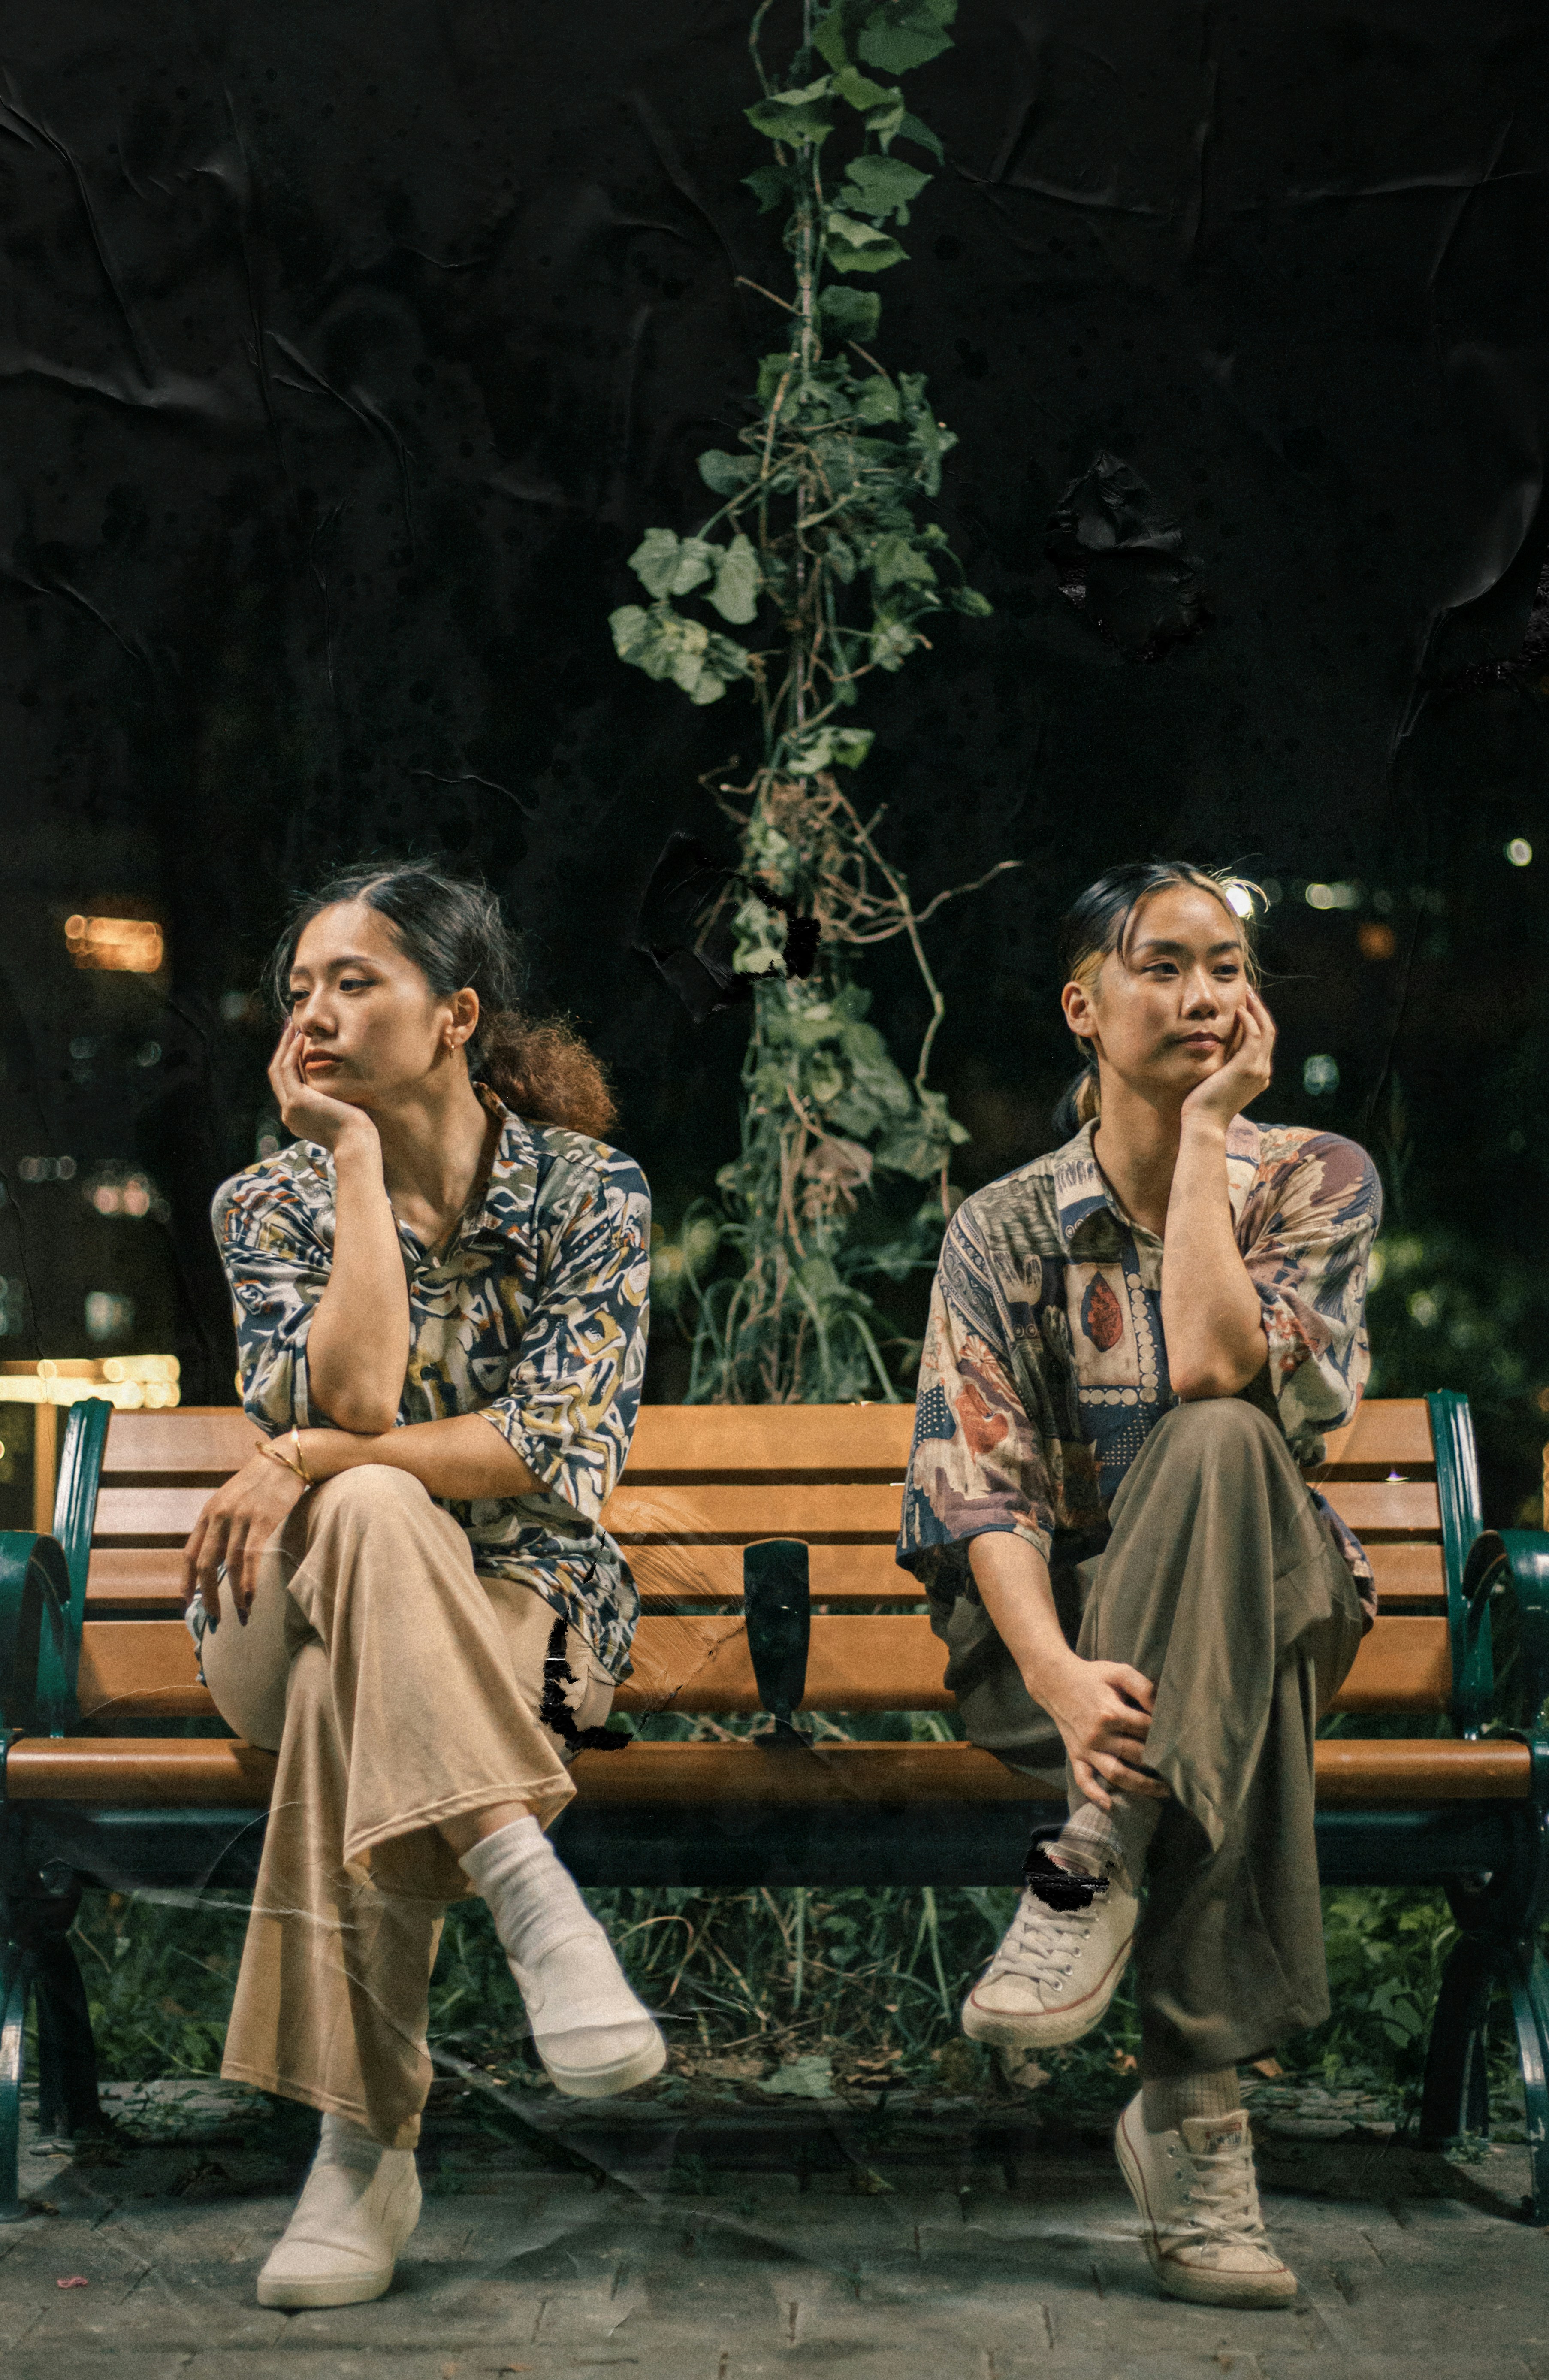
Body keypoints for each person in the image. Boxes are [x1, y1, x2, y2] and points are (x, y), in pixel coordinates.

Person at [897, 862, 1380, 2310]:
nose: (1205, 996)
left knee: (1224, 1444)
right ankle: (1194, 2118)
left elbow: (1231, 1372)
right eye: (1162, 965)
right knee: (1239, 1698)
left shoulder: (1311, 1177)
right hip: (1055, 1653)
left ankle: (1090, 1849)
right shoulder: (1001, 1226)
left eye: (1228, 967)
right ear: (1082, 1007)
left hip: (1264, 1589)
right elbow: (978, 1483)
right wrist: (1052, 1668)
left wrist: (1208, 1138)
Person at [182, 860, 663, 2311]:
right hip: (281, 1605)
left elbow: (544, 1448)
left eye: (356, 982)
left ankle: (360, 2148)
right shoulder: (267, 1201)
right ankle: (531, 1889)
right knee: (377, 1510)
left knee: (371, 1559)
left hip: (521, 1600)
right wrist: (349, 1166)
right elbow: (358, 1388)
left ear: (455, 1013)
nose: (314, 1014)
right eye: (301, 988)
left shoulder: (590, 1191)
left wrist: (312, 1456)